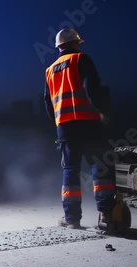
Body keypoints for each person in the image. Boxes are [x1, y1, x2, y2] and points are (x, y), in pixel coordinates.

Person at [44, 28, 116, 231]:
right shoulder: (81, 59)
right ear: (75, 43)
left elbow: (48, 103)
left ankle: (71, 218)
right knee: (100, 167)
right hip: (90, 124)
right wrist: (103, 112)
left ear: (59, 47)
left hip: (66, 128)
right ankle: (106, 217)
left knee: (70, 172)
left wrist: (59, 123)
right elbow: (91, 87)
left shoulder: (49, 70)